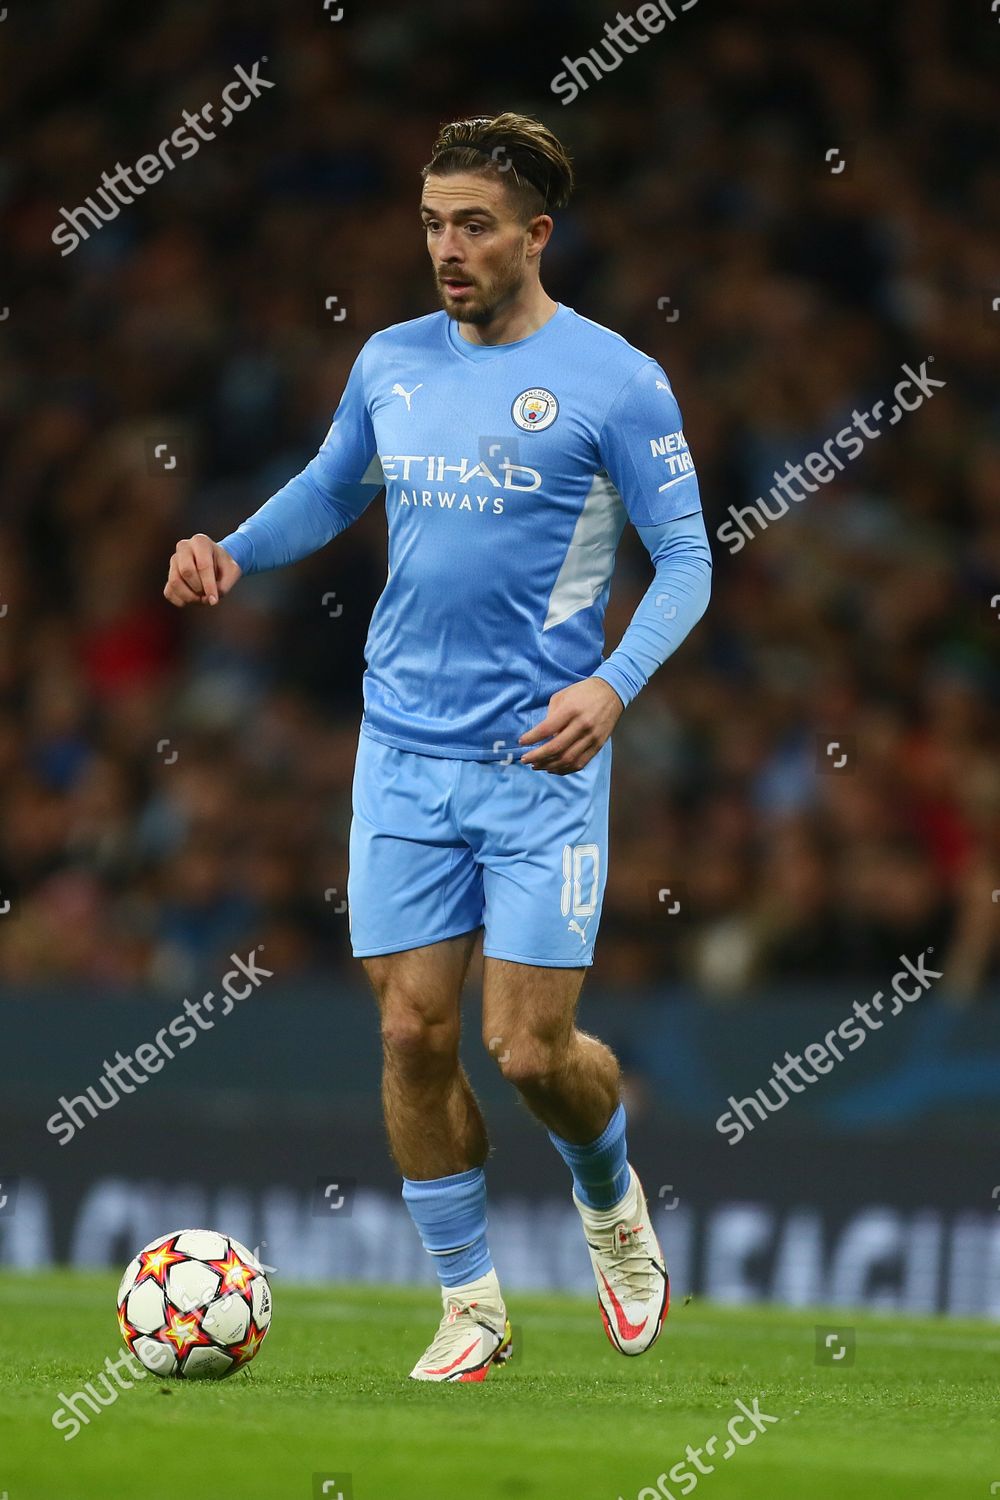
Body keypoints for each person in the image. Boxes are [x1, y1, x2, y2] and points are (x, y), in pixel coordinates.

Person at [164, 111, 712, 1382]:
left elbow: (686, 557)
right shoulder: (389, 361)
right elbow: (330, 484)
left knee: (528, 1050)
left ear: (536, 235)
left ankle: (610, 1202)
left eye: (472, 225)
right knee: (412, 1035)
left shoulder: (617, 380)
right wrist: (231, 545)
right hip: (401, 751)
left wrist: (615, 688)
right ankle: (471, 1304)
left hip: (540, 760)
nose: (446, 249)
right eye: (430, 224)